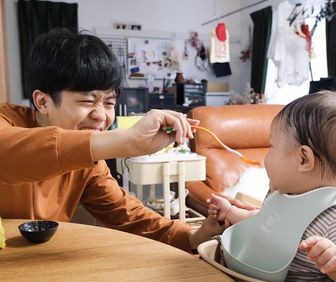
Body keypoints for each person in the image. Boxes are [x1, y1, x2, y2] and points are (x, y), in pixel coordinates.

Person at [0, 28, 232, 253]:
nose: (102, 115)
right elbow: (7, 152)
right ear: (42, 102)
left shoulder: (89, 164)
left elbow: (127, 214)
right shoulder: (6, 120)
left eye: (109, 103)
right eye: (87, 101)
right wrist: (126, 141)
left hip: (38, 264)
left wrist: (192, 237)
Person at [207, 90, 336, 282]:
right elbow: (265, 224)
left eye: (272, 146)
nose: (265, 156)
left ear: (303, 159)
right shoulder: (281, 193)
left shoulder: (334, 216)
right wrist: (230, 212)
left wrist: (335, 264)